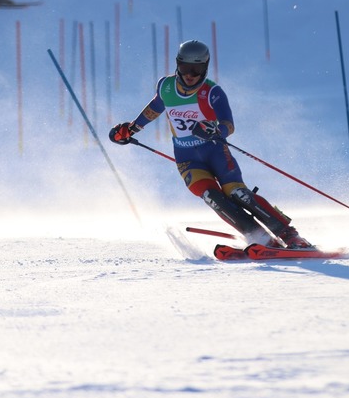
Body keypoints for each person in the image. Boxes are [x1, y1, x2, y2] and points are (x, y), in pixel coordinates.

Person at [109, 39, 312, 248]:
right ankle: (260, 238)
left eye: (196, 70)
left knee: (237, 194)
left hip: (215, 152)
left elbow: (228, 125)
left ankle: (290, 236)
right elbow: (155, 107)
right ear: (177, 65)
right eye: (185, 68)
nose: (189, 75)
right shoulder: (165, 86)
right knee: (212, 197)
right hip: (186, 157)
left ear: (205, 68)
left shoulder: (212, 92)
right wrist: (132, 128)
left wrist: (216, 131)